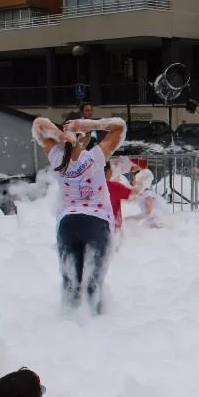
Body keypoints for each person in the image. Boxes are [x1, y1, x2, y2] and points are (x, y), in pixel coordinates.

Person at [31, 115, 127, 314]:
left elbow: (38, 126)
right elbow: (120, 127)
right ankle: (97, 326)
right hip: (97, 223)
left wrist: (60, 136)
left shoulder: (58, 159)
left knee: (70, 284)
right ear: (87, 136)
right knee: (94, 284)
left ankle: (68, 325)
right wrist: (93, 124)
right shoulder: (96, 157)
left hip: (68, 224)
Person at [104, 162, 134, 233]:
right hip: (113, 230)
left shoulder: (85, 188)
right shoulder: (115, 187)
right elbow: (134, 194)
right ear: (109, 172)